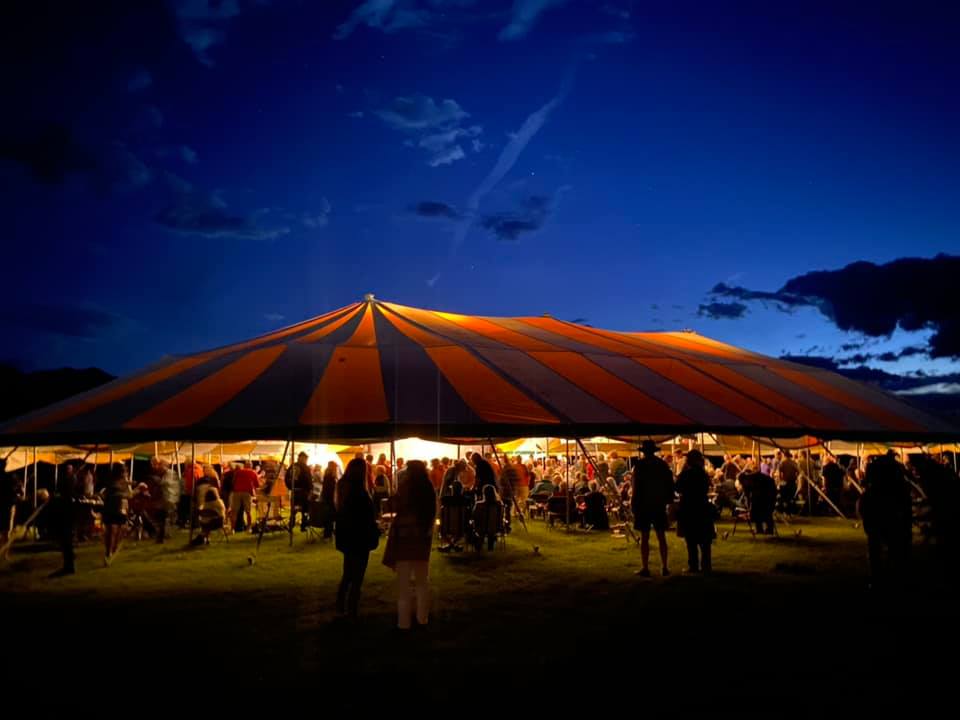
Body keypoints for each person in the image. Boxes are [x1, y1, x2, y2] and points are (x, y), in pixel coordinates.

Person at [382, 460, 437, 630]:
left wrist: (393, 499)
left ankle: (403, 622)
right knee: (422, 582)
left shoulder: (405, 487)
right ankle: (422, 618)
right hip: (421, 539)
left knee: (404, 584)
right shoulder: (428, 488)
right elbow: (433, 510)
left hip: (404, 539)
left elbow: (394, 506)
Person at [858, 452, 912, 589]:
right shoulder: (896, 473)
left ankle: (878, 576)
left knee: (876, 546)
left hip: (881, 511)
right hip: (891, 512)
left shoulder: (877, 473)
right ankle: (895, 575)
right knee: (893, 546)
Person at [334, 458, 379, 618]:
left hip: (347, 537)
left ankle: (341, 604)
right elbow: (366, 518)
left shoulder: (343, 488)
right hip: (360, 538)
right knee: (357, 575)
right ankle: (352, 608)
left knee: (348, 573)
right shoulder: (360, 493)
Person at [631, 440, 675, 577]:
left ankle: (645, 567)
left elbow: (636, 486)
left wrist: (634, 503)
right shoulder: (662, 465)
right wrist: (668, 500)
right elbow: (669, 483)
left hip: (644, 504)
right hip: (658, 503)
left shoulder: (640, 465)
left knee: (645, 537)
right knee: (661, 536)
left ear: (644, 451)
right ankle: (664, 567)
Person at [675, 450, 715, 574]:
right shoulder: (703, 474)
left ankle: (693, 566)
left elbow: (677, 487)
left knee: (691, 539)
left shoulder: (686, 473)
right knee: (704, 539)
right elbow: (707, 486)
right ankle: (706, 566)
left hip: (689, 507)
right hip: (702, 506)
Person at [102, 462, 132, 566]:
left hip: (120, 508)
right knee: (112, 530)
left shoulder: (124, 482)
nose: (126, 473)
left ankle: (112, 551)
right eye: (124, 471)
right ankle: (108, 552)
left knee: (120, 530)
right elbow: (122, 494)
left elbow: (127, 494)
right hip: (112, 508)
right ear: (119, 472)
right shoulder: (112, 483)